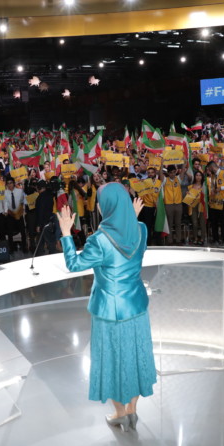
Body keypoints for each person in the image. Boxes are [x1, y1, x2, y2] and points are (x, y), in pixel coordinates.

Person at [58, 183, 156, 432]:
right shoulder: (141, 229)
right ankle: (132, 410)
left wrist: (66, 234)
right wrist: (130, 218)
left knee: (112, 360)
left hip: (108, 312)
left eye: (100, 202)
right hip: (136, 307)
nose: (98, 206)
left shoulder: (99, 241)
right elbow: (130, 242)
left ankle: (120, 413)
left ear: (107, 206)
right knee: (135, 357)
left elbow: (74, 264)